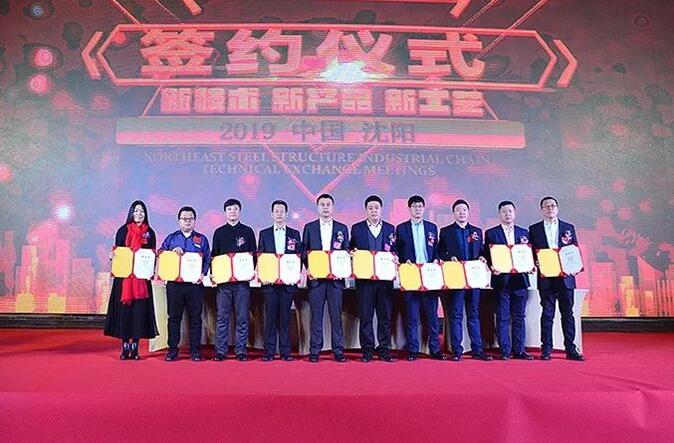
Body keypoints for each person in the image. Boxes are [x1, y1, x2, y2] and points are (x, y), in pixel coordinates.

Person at [529, 196, 585, 361]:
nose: (550, 208)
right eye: (546, 206)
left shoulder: (568, 227)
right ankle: (546, 349)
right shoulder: (534, 229)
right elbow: (530, 252)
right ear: (542, 210)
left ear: (557, 208)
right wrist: (535, 261)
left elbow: (573, 250)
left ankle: (571, 349)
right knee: (547, 314)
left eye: (552, 205)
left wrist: (574, 267)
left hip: (566, 278)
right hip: (546, 278)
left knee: (568, 314)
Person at [438, 199, 492, 361]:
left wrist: (482, 257)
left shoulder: (477, 231)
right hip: (456, 279)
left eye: (464, 210)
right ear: (454, 213)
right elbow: (440, 252)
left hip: (474, 279)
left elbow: (482, 252)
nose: (462, 212)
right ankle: (456, 350)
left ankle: (477, 350)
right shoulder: (446, 231)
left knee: (474, 314)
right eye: (458, 210)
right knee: (456, 315)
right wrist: (449, 258)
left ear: (468, 212)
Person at [104, 200, 158, 360]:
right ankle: (125, 345)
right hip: (124, 281)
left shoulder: (150, 233)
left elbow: (151, 255)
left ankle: (135, 345)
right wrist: (112, 256)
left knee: (139, 313)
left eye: (142, 211)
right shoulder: (123, 231)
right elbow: (118, 252)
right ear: (131, 213)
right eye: (136, 211)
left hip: (142, 281)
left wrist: (152, 263)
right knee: (124, 313)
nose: (139, 214)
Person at [395, 195, 447, 361]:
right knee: (411, 316)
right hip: (410, 276)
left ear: (424, 208)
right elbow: (397, 251)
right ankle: (413, 350)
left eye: (420, 206)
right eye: (414, 206)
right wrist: (404, 260)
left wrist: (437, 259)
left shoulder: (432, 227)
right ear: (409, 209)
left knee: (432, 317)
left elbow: (436, 249)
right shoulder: (401, 228)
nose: (417, 209)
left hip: (429, 276)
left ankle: (435, 349)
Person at [484, 201, 534, 361]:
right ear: (499, 214)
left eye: (510, 211)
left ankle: (519, 350)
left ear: (515, 213)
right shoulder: (491, 233)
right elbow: (487, 256)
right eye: (504, 211)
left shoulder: (524, 232)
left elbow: (530, 255)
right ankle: (505, 350)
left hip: (520, 281)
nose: (507, 214)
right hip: (501, 281)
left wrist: (531, 265)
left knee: (519, 317)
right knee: (502, 317)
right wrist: (491, 266)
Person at [302, 193, 349, 363]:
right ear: (317, 208)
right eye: (322, 204)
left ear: (333, 207)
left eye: (328, 204)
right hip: (317, 281)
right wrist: (309, 267)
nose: (325, 207)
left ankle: (338, 350)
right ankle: (315, 350)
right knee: (316, 316)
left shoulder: (342, 228)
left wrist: (344, 266)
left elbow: (346, 251)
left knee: (336, 316)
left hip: (335, 281)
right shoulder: (309, 227)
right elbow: (304, 251)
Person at [160, 206, 211, 362]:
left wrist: (202, 274)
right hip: (175, 285)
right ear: (179, 221)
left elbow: (207, 259)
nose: (187, 221)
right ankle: (172, 350)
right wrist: (171, 252)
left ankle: (195, 351)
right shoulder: (171, 238)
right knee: (174, 318)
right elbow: (161, 254)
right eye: (184, 218)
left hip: (195, 285)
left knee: (195, 318)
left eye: (190, 219)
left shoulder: (202, 239)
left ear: (195, 221)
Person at [350, 195, 396, 362]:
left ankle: (384, 349)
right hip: (365, 282)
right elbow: (351, 249)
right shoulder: (357, 228)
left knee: (385, 317)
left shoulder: (390, 228)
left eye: (376, 208)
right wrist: (352, 254)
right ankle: (367, 350)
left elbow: (396, 250)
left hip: (385, 281)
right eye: (370, 208)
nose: (374, 210)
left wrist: (395, 257)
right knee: (366, 316)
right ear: (366, 210)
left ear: (381, 209)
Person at [211, 198, 257, 361]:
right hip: (224, 284)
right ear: (225, 212)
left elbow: (253, 256)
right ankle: (221, 351)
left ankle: (241, 351)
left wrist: (248, 272)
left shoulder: (248, 231)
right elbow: (214, 256)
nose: (232, 211)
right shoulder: (219, 232)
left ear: (240, 211)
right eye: (229, 209)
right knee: (222, 318)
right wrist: (215, 275)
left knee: (242, 318)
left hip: (242, 284)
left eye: (235, 209)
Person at [257, 200, 303, 361]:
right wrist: (263, 275)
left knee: (285, 318)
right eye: (276, 211)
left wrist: (295, 275)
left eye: (282, 211)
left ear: (286, 214)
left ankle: (285, 352)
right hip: (270, 284)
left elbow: (298, 257)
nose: (279, 214)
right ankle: (269, 352)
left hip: (287, 284)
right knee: (270, 318)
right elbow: (261, 256)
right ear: (272, 214)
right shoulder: (264, 233)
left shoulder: (294, 234)